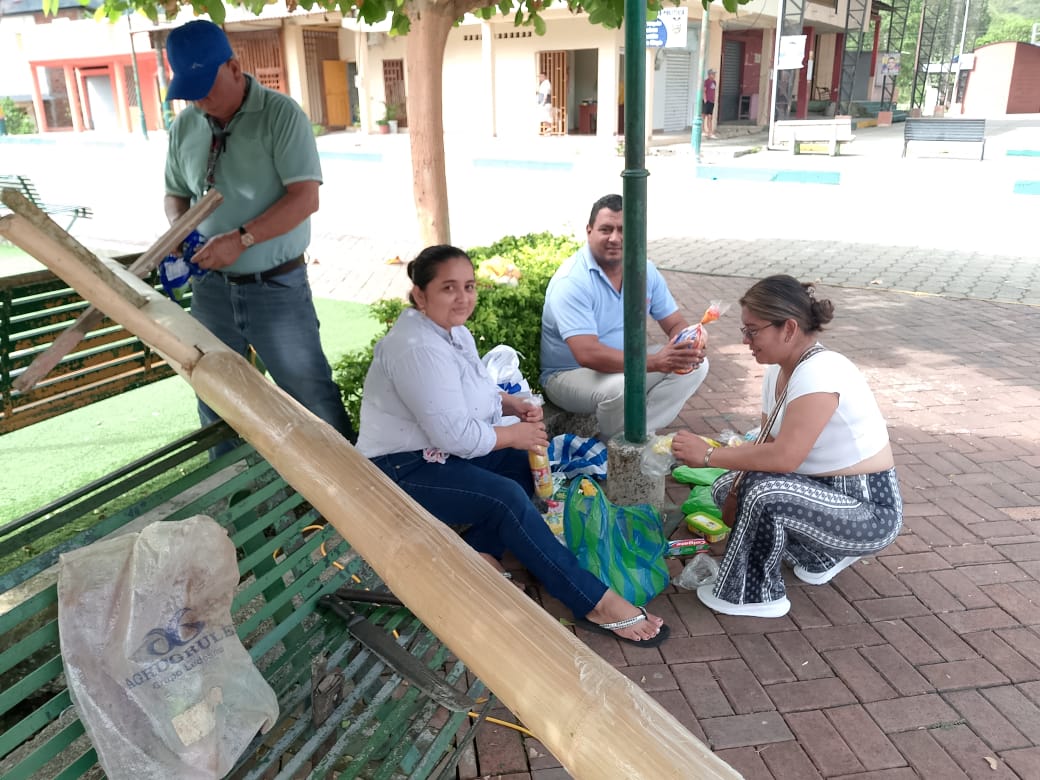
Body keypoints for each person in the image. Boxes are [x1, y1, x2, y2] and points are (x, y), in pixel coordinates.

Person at [355, 245, 669, 647]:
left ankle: (478, 552)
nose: (463, 297)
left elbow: (474, 393)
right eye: (448, 288)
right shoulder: (416, 348)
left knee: (521, 466)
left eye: (469, 286)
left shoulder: (451, 331)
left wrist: (511, 405)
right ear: (420, 294)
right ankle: (594, 602)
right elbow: (455, 436)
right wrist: (514, 434)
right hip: (400, 468)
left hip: (436, 454)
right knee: (504, 496)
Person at [162, 20, 355, 457]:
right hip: (210, 289)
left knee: (311, 395)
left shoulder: (281, 115)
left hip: (276, 288)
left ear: (233, 67)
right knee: (217, 398)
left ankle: (357, 488)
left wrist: (242, 239)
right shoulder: (185, 126)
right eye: (190, 91)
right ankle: (238, 493)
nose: (199, 100)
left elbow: (305, 198)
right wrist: (179, 226)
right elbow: (175, 193)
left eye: (205, 88)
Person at [671, 275, 903, 619]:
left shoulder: (821, 372)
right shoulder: (779, 371)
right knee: (727, 487)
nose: (745, 340)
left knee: (764, 495)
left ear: (788, 328)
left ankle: (754, 595)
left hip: (868, 509)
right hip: (823, 492)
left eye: (752, 331)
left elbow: (785, 457)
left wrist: (707, 455)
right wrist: (728, 474)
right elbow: (767, 443)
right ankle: (821, 556)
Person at [540, 194, 709, 440]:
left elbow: (674, 323)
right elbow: (587, 354)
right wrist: (655, 362)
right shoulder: (572, 281)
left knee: (695, 366)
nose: (615, 238)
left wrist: (689, 343)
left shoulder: (644, 269)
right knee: (621, 387)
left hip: (622, 366)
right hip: (568, 375)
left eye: (623, 230)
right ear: (589, 231)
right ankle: (620, 445)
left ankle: (632, 437)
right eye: (606, 229)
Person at [702, 68, 718, 139]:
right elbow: (704, 91)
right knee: (703, 116)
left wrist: (714, 99)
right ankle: (703, 130)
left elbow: (713, 91)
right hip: (707, 101)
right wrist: (705, 99)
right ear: (709, 74)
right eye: (712, 74)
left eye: (714, 74)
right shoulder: (706, 82)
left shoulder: (714, 82)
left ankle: (710, 132)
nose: (714, 75)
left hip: (711, 101)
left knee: (710, 117)